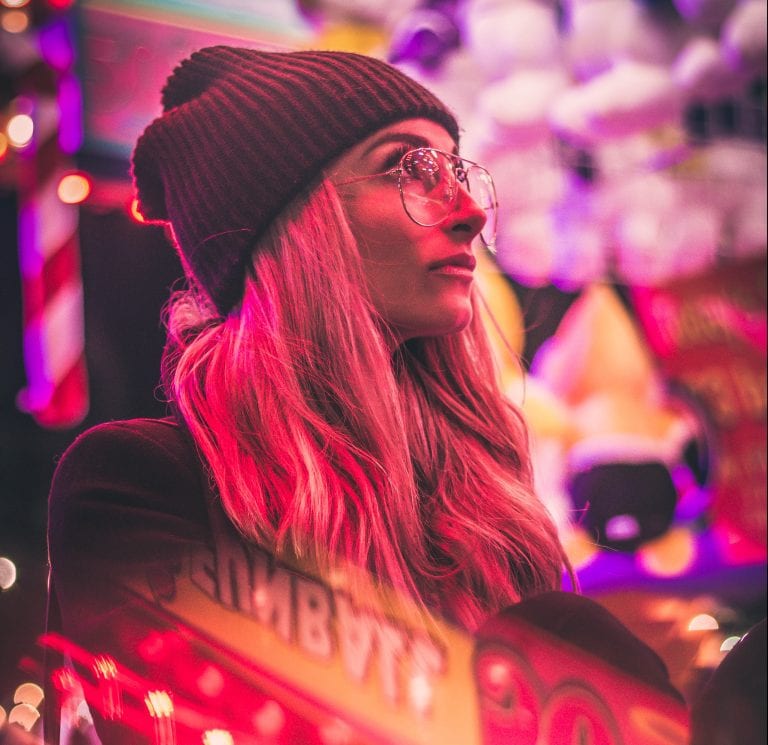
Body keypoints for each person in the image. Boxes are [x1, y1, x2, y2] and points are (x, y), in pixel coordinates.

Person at [45, 46, 678, 744]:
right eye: (410, 168)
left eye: (457, 171)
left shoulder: (490, 505)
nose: (468, 211)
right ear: (293, 223)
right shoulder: (137, 482)